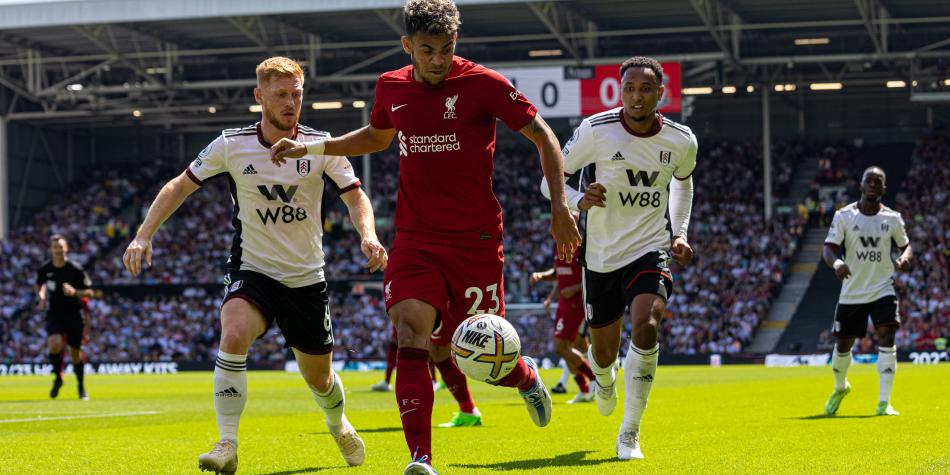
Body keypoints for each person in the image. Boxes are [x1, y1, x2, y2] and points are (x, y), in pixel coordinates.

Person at [270, 2, 580, 472]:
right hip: (415, 238)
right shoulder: (390, 86)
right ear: (407, 46)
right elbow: (376, 138)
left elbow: (544, 137)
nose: (437, 59)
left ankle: (524, 377)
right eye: (428, 50)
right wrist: (311, 149)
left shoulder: (484, 84)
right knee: (411, 333)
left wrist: (560, 207)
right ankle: (421, 459)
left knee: (469, 349)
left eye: (447, 49)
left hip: (475, 240)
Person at [123, 56, 386, 473]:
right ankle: (227, 443)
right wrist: (143, 234)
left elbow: (355, 195)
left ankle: (338, 424)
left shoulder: (321, 145)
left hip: (306, 278)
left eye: (296, 94)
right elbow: (179, 185)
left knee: (319, 378)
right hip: (253, 269)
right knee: (233, 334)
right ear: (258, 96)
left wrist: (367, 234)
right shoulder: (232, 144)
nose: (291, 103)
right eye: (281, 94)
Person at [541, 57, 697, 460]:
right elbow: (549, 182)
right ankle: (604, 377)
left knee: (646, 326)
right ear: (619, 90)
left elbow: (683, 184)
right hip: (601, 256)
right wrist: (578, 200)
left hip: (650, 247)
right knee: (604, 353)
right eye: (629, 88)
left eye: (646, 89)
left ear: (660, 93)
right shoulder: (596, 130)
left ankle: (630, 432)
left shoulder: (681, 140)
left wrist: (679, 232)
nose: (636, 96)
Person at [822, 166, 912, 417]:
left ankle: (884, 403)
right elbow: (828, 249)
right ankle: (840, 387)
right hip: (853, 291)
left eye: (878, 181)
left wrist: (904, 258)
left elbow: (906, 246)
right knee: (843, 345)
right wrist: (838, 263)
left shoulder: (893, 219)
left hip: (883, 287)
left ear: (884, 189)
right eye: (868, 180)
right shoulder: (844, 216)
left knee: (887, 335)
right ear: (861, 185)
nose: (873, 184)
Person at [529, 239, 596, 404]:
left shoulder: (582, 247)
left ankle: (595, 380)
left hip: (577, 303)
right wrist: (542, 276)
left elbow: (593, 275)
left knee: (563, 346)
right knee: (565, 348)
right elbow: (559, 273)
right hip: (563, 303)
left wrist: (574, 289)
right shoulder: (560, 246)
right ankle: (585, 388)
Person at [35, 234, 101, 400]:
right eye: (55, 247)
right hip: (55, 313)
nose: (58, 250)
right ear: (51, 250)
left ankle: (81, 387)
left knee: (75, 354)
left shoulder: (75, 269)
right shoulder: (45, 269)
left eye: (60, 247)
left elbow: (90, 292)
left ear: (66, 249)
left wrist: (75, 292)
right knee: (54, 345)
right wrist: (41, 297)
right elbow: (39, 284)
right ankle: (58, 377)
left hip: (73, 314)